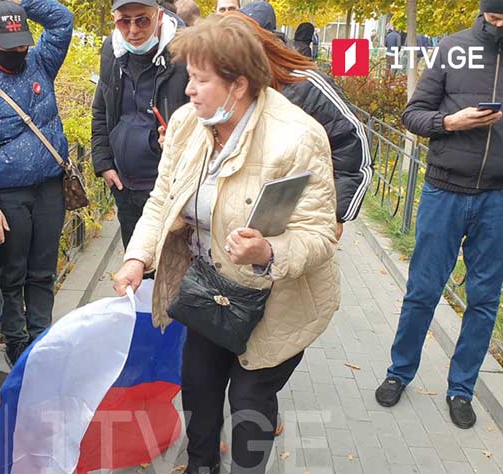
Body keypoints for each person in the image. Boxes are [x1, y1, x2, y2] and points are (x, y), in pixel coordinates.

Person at [113, 15, 340, 474]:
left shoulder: (296, 137)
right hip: (209, 292)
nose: (189, 90)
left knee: (250, 407)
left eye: (200, 80)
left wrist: (268, 253)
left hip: (277, 303)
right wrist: (138, 257)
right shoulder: (186, 123)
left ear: (237, 86)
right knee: (198, 393)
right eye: (189, 78)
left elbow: (319, 236)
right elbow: (162, 199)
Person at [375, 0, 503, 430]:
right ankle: (398, 372)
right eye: (491, 18)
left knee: (483, 300)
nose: (497, 26)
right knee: (422, 291)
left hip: (501, 198)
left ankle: (461, 388)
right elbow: (413, 114)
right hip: (444, 190)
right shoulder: (453, 47)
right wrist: (451, 123)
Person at [0, 0, 74, 365]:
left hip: (49, 187)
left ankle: (40, 338)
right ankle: (16, 342)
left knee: (43, 271)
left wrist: (18, 5)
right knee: (12, 272)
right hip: (8, 194)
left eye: (23, 42)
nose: (19, 50)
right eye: (10, 44)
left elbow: (62, 21)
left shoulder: (40, 63)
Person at [234, 5, 371, 237]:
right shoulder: (230, 81)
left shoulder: (306, 84)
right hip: (241, 218)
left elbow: (352, 140)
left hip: (301, 216)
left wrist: (337, 213)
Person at [92, 0, 188, 250]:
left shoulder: (185, 51)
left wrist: (180, 141)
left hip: (169, 187)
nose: (133, 31)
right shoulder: (111, 50)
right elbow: (101, 108)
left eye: (142, 20)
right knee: (136, 270)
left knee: (170, 273)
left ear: (158, 16)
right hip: (125, 187)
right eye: (124, 21)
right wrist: (103, 163)